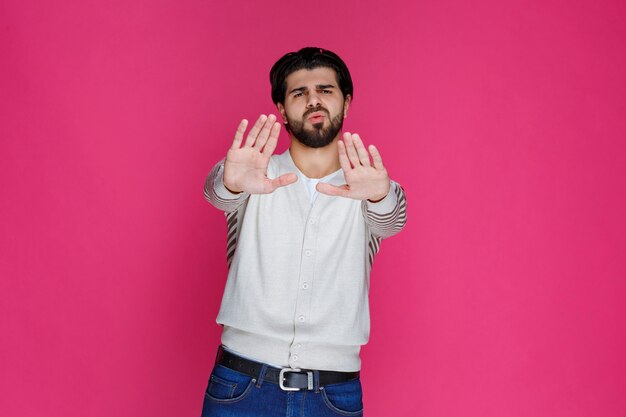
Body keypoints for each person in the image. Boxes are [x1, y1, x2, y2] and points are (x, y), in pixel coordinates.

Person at [201, 47, 407, 417]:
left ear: (346, 101)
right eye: (299, 93)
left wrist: (380, 192)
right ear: (281, 108)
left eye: (325, 90)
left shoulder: (367, 184)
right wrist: (231, 183)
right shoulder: (254, 173)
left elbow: (392, 218)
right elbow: (218, 194)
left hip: (334, 394)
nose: (313, 100)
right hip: (241, 386)